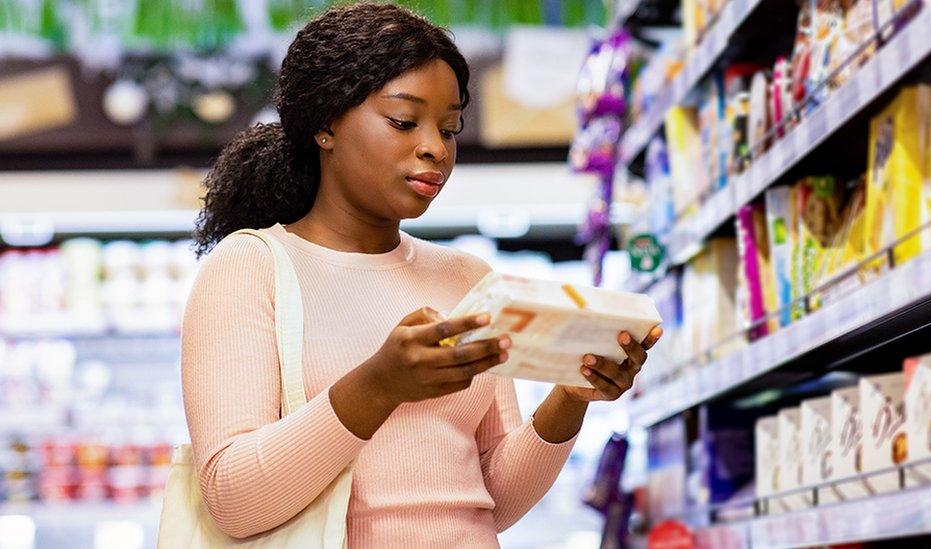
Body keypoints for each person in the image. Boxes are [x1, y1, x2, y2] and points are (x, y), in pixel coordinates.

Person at [182, 2, 662, 546]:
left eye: (450, 127)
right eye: (404, 122)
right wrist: (379, 384)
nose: (435, 147)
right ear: (324, 124)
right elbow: (234, 501)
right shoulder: (250, 268)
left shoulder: (466, 277)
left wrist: (570, 397)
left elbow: (492, 502)